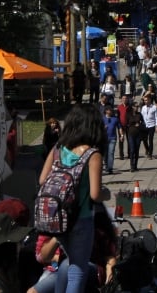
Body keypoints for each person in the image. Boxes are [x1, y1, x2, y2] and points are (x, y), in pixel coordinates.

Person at [38, 104, 109, 293]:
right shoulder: (92, 155)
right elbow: (95, 194)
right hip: (81, 218)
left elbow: (42, 179)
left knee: (68, 263)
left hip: (57, 216)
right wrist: (107, 193)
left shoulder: (57, 149)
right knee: (78, 268)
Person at [101, 106, 122, 175]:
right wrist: (103, 128)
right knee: (105, 154)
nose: (110, 111)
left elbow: (119, 127)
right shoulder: (102, 119)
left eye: (111, 110)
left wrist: (121, 135)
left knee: (111, 153)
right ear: (106, 111)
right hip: (104, 139)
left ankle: (110, 168)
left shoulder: (115, 119)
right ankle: (106, 166)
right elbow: (99, 129)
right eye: (109, 110)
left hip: (113, 138)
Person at [125, 101, 144, 172]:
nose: (137, 108)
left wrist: (140, 125)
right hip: (131, 134)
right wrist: (132, 125)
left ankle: (135, 165)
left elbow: (143, 122)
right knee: (132, 150)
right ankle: (131, 166)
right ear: (132, 107)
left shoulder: (139, 114)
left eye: (137, 107)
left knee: (136, 150)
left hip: (138, 134)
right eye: (135, 106)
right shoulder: (128, 114)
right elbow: (126, 124)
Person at [140, 94, 157, 159]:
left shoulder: (154, 107)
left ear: (150, 100)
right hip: (145, 125)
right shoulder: (143, 107)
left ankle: (150, 154)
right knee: (144, 140)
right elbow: (141, 116)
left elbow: (156, 117)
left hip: (152, 125)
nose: (146, 101)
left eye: (147, 100)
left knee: (150, 140)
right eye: (145, 100)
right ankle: (147, 149)